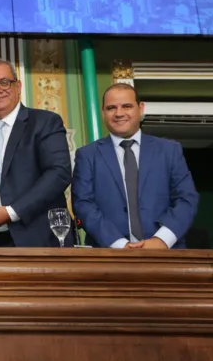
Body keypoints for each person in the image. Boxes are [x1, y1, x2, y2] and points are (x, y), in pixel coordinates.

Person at [71, 83, 199, 249]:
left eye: (126, 106)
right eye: (111, 108)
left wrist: (161, 240)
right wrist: (120, 245)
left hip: (166, 255)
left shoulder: (169, 150)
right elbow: (83, 204)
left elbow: (186, 199)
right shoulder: (87, 155)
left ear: (140, 108)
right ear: (103, 113)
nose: (119, 113)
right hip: (109, 257)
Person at [0, 59, 72, 247]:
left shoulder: (45, 122)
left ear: (18, 86)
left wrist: (12, 212)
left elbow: (59, 173)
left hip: (34, 239)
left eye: (4, 82)